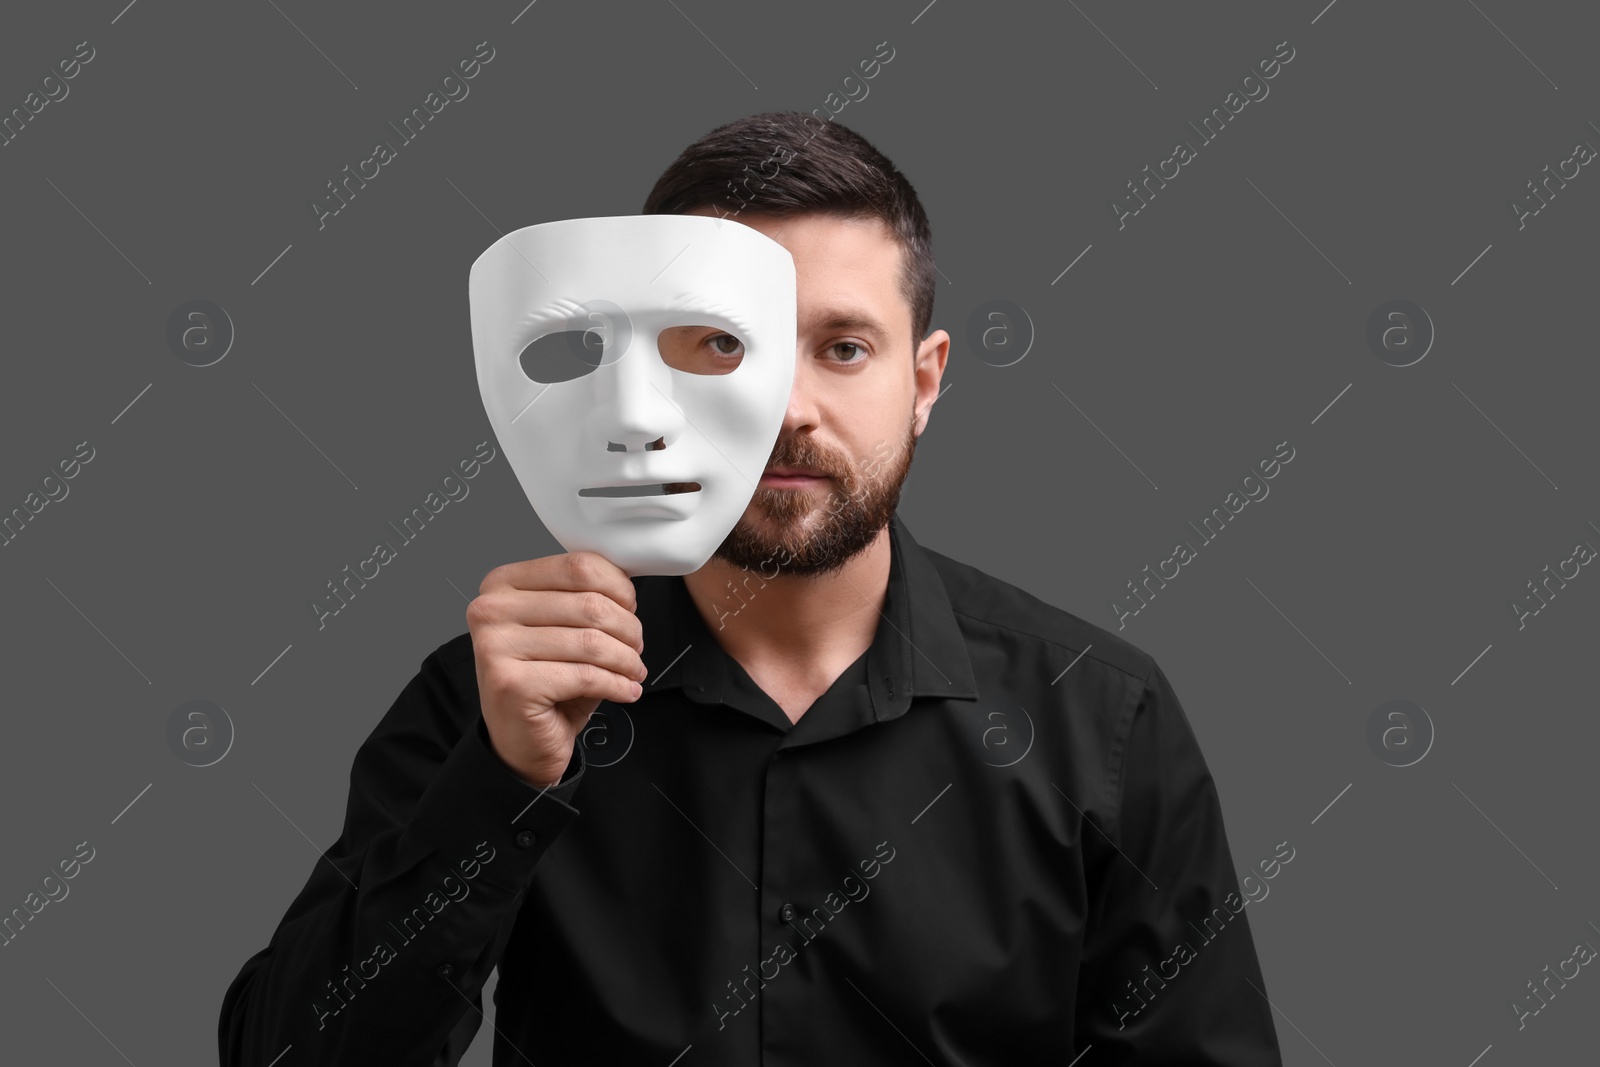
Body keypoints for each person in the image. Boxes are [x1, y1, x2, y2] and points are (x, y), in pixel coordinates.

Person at [218, 110, 1284, 1066]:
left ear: (924, 381)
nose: (790, 408)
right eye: (726, 346)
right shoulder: (492, 699)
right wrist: (497, 787)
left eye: (844, 346)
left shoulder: (1101, 716)